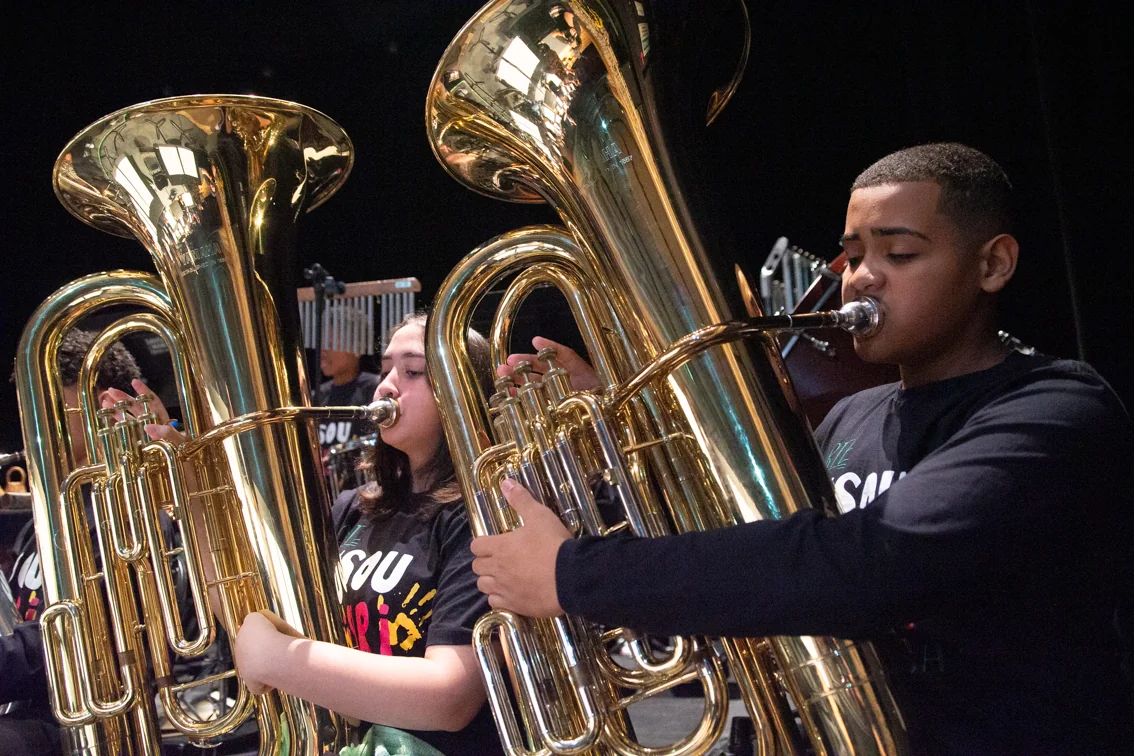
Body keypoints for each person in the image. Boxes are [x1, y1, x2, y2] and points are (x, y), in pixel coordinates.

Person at [469, 143, 1134, 754]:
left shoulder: (1056, 409)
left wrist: (573, 574)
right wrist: (612, 436)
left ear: (992, 264)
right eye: (852, 255)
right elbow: (749, 558)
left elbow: (868, 565)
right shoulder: (851, 416)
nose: (862, 278)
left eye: (898, 255)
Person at [122, 312, 501, 755]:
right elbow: (251, 621)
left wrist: (280, 658)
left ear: (465, 392)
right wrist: (192, 493)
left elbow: (449, 700)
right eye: (384, 371)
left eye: (413, 371)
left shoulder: (477, 513)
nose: (385, 387)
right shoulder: (355, 508)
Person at [1, 329, 143, 755]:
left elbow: (85, 636)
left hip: (94, 723)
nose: (31, 431)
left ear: (106, 406)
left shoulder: (125, 509)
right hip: (35, 712)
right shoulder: (47, 514)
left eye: (48, 412)